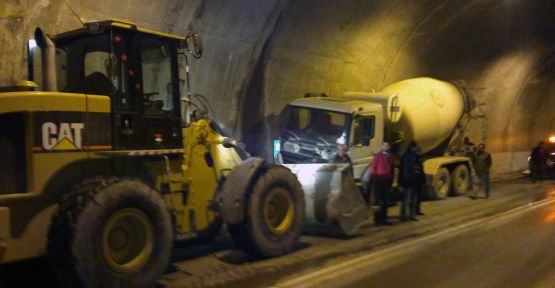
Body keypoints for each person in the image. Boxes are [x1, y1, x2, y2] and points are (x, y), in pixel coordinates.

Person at [399, 141, 424, 221]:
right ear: (413, 147)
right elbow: (414, 168)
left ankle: (406, 216)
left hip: (410, 180)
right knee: (409, 199)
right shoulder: (411, 156)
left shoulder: (407, 155)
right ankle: (408, 216)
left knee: (410, 199)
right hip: (411, 180)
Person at [370, 142, 394, 225]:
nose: (386, 147)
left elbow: (391, 169)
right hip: (379, 181)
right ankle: (377, 220)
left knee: (385, 201)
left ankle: (384, 219)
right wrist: (374, 179)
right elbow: (373, 168)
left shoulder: (390, 156)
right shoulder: (377, 156)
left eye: (387, 145)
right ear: (381, 146)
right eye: (384, 145)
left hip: (387, 181)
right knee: (378, 201)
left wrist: (390, 178)